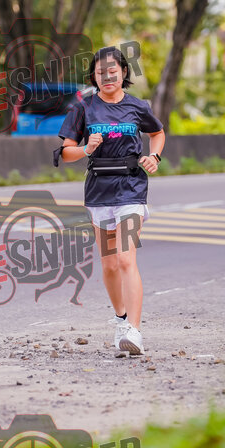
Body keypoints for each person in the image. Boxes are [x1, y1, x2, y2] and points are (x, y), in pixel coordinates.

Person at [56, 47, 165, 355]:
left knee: (126, 259)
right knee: (110, 264)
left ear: (124, 73)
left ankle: (134, 331)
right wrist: (86, 149)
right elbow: (66, 152)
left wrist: (155, 156)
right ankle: (121, 318)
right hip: (99, 191)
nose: (107, 77)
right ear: (94, 76)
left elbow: (158, 133)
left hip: (131, 188)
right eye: (100, 73)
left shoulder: (137, 106)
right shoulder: (83, 109)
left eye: (112, 71)